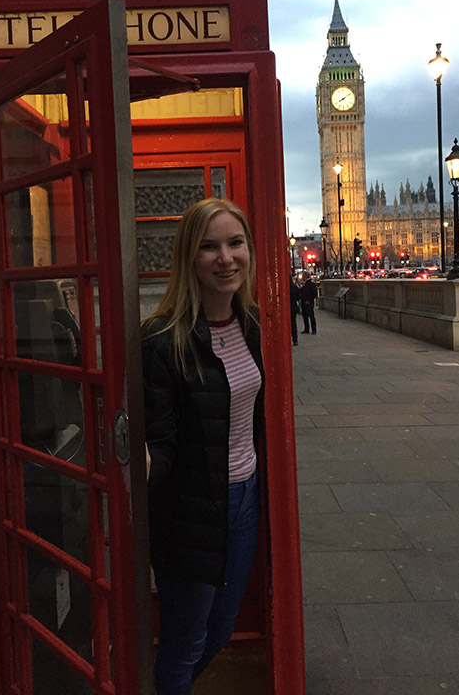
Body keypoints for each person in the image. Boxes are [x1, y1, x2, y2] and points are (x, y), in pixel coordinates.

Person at [142, 197, 264, 695]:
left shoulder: (255, 326)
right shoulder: (161, 340)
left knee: (219, 633)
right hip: (190, 511)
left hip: (246, 500)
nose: (225, 258)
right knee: (184, 645)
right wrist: (141, 465)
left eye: (235, 243)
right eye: (209, 247)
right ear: (189, 259)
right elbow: (160, 441)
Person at [299, 271, 317, 335]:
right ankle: (307, 329)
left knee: (311, 316)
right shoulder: (304, 284)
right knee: (305, 316)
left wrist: (309, 300)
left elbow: (314, 293)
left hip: (308, 302)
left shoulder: (310, 284)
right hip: (304, 301)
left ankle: (313, 329)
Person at [289, 275, 300, 346]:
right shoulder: (293, 287)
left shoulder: (282, 287)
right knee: (293, 324)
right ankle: (295, 339)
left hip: (287, 307)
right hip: (293, 307)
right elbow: (299, 295)